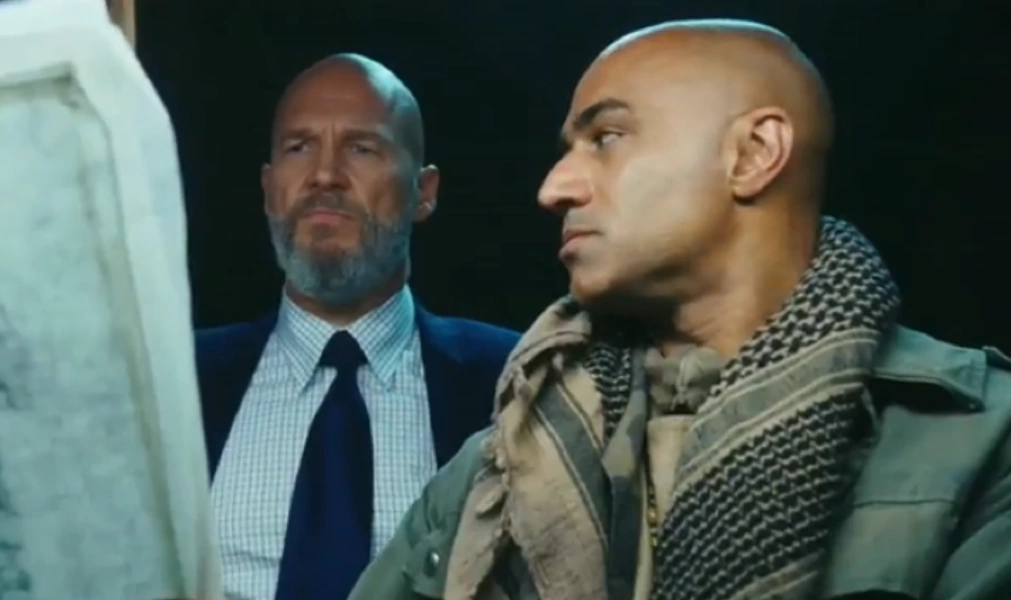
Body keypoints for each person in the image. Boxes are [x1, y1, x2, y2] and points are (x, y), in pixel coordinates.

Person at [349, 19, 1011, 600]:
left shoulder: (980, 440)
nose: (554, 188)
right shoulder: (497, 465)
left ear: (753, 154)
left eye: (606, 137)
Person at [195, 53, 520, 600]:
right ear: (269, 189)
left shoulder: (512, 383)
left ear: (424, 191)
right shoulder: (176, 382)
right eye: (299, 148)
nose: (324, 175)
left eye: (361, 148)